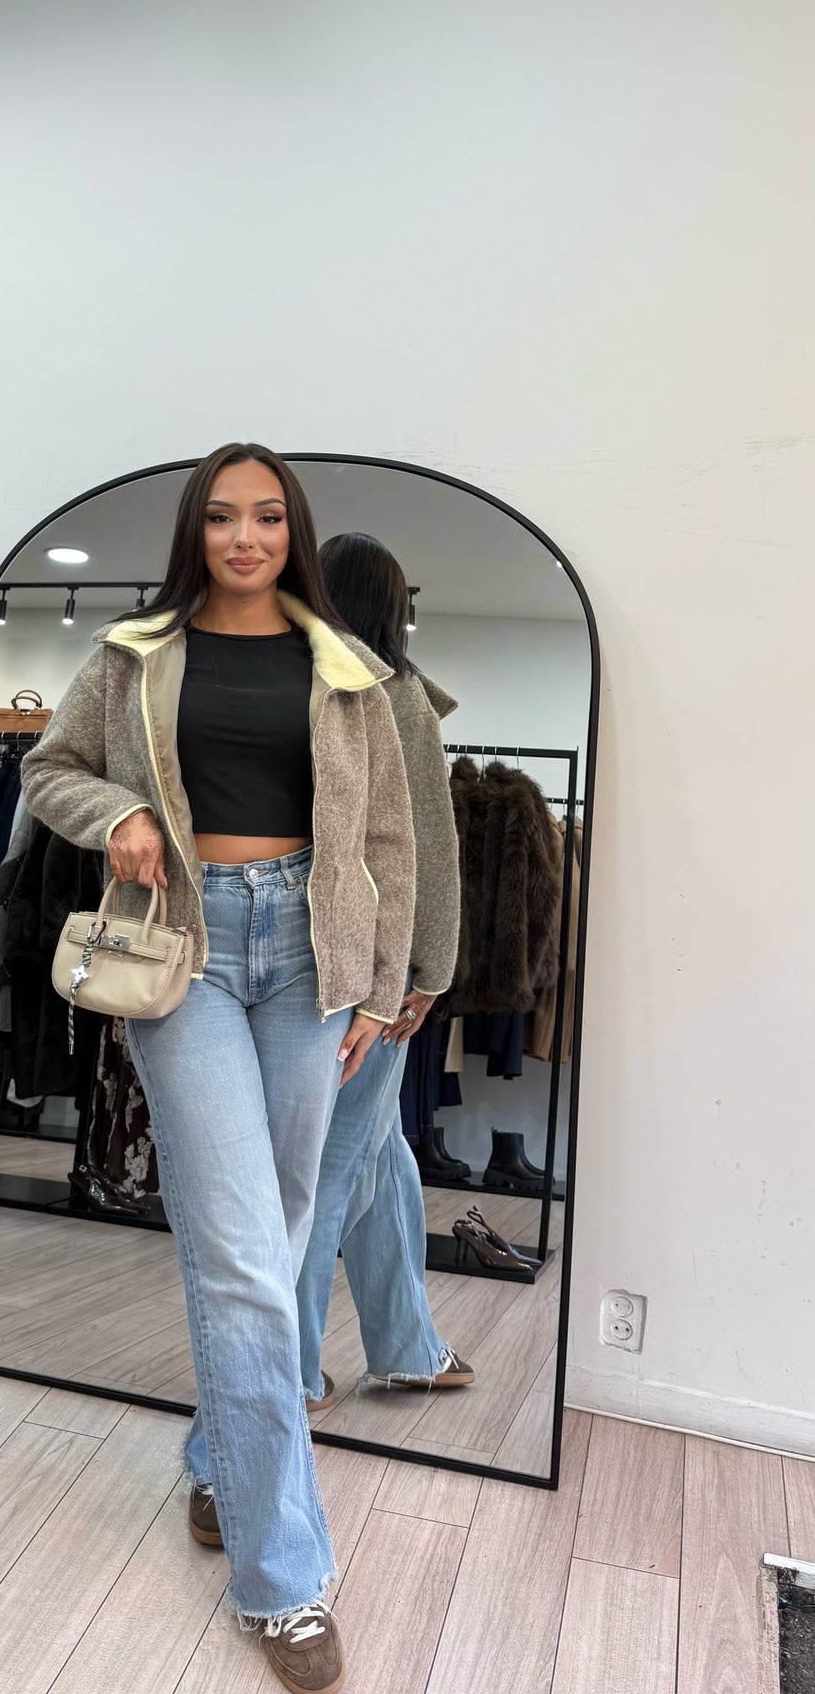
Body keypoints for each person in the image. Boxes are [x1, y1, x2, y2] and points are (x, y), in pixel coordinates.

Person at [20, 446, 415, 1694]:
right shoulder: (132, 655)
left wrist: (381, 984)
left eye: (267, 517)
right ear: (194, 530)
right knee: (243, 1254)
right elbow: (47, 769)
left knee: (283, 1228)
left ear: (292, 531)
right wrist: (119, 817)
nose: (244, 537)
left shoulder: (344, 669)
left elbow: (389, 837)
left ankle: (220, 1460)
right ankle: (282, 1579)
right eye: (222, 518)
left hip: (310, 957)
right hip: (181, 952)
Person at [297, 531, 476, 1414]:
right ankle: (288, 1371)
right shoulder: (391, 694)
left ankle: (409, 1345)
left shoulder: (293, 678)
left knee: (380, 1153)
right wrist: (429, 967)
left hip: (293, 953)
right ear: (394, 607)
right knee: (330, 1168)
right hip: (371, 969)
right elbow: (428, 847)